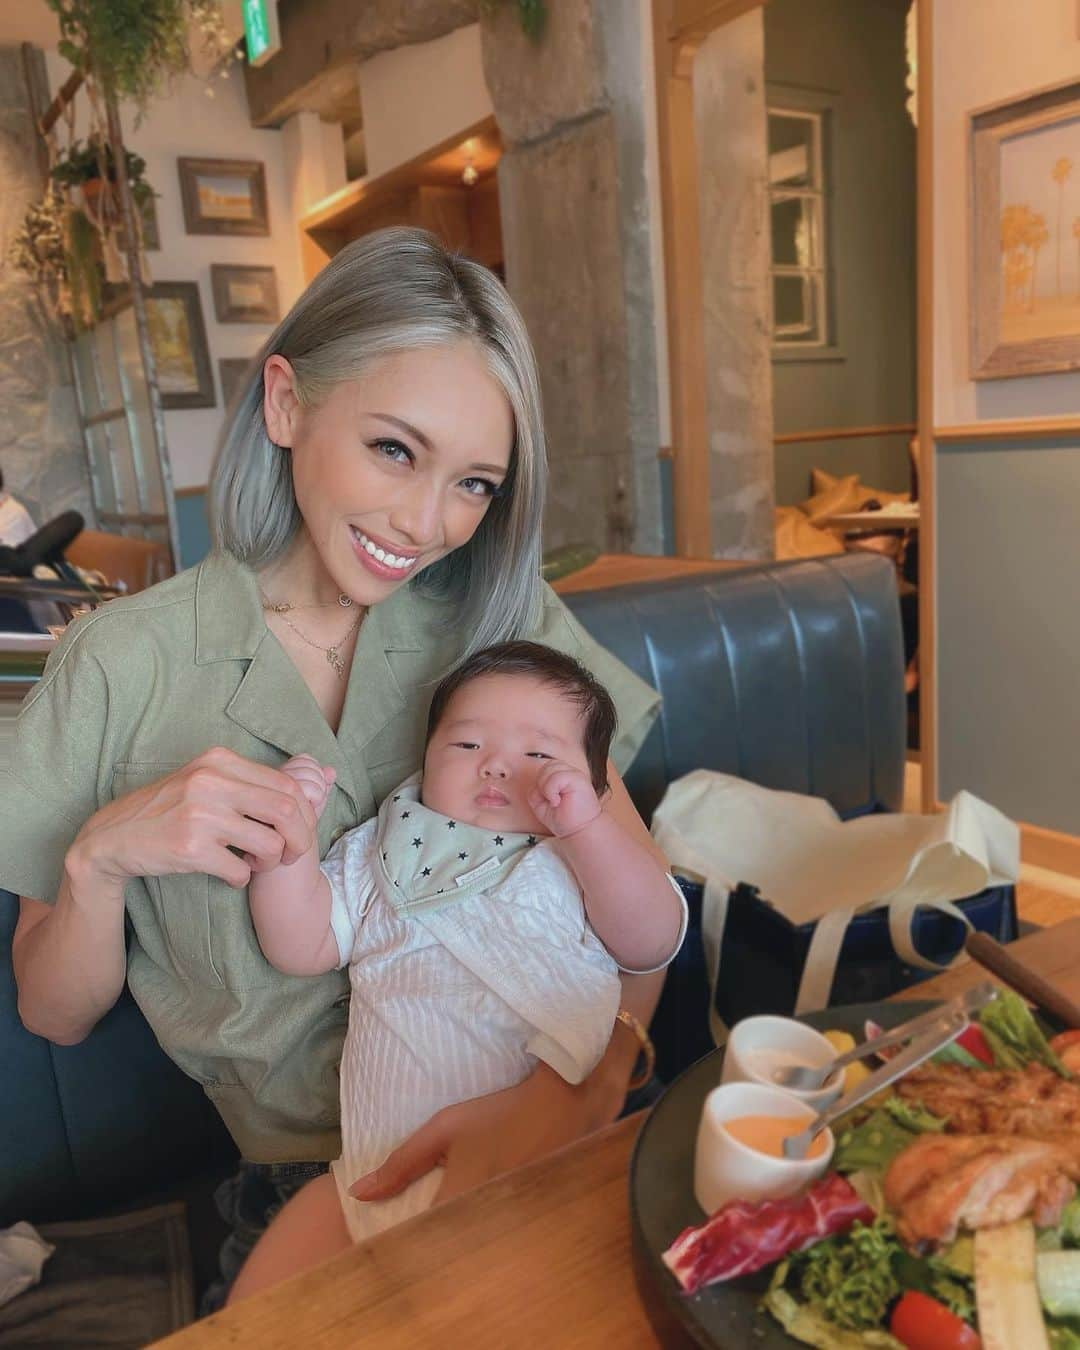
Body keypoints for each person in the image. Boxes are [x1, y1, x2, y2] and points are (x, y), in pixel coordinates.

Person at [3, 226, 672, 1307]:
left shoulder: (500, 620)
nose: (425, 523)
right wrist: (98, 862)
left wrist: (594, 1082)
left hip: (564, 1113)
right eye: (396, 450)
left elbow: (638, 899)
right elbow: (54, 1012)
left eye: (475, 484)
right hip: (315, 1184)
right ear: (285, 403)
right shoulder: (122, 664)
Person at [228, 640, 687, 1297]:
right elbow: (301, 946)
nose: (499, 767)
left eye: (539, 756)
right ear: (426, 755)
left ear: (593, 785)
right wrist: (288, 850)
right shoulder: (382, 851)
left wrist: (590, 831)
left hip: (549, 1140)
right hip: (376, 1167)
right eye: (467, 746)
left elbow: (651, 941)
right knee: (262, 1304)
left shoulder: (574, 857)